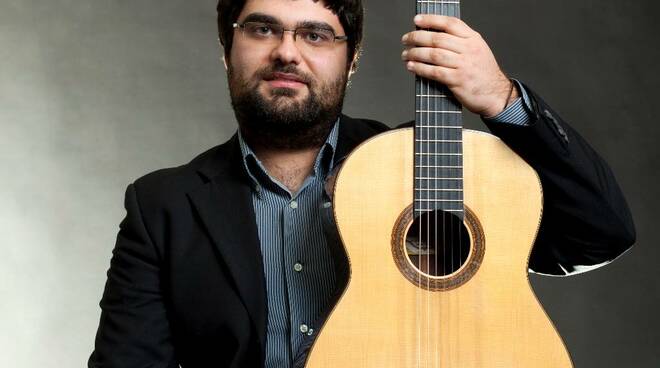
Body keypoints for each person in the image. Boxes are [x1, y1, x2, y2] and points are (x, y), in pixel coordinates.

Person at [88, 0, 636, 367]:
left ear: (351, 61)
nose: (286, 51)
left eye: (317, 34)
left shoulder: (430, 170)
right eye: (261, 28)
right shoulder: (162, 207)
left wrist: (500, 97)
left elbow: (600, 233)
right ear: (226, 50)